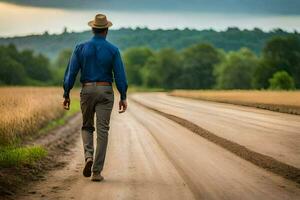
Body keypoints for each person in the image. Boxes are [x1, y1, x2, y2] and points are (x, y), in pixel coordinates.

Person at [62, 14, 128, 182]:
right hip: (105, 90)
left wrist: (66, 92)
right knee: (103, 131)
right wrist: (123, 95)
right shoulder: (113, 50)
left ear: (92, 29)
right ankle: (97, 172)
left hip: (87, 90)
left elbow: (71, 73)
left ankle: (88, 157)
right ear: (106, 30)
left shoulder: (80, 47)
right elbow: (120, 75)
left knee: (87, 126)